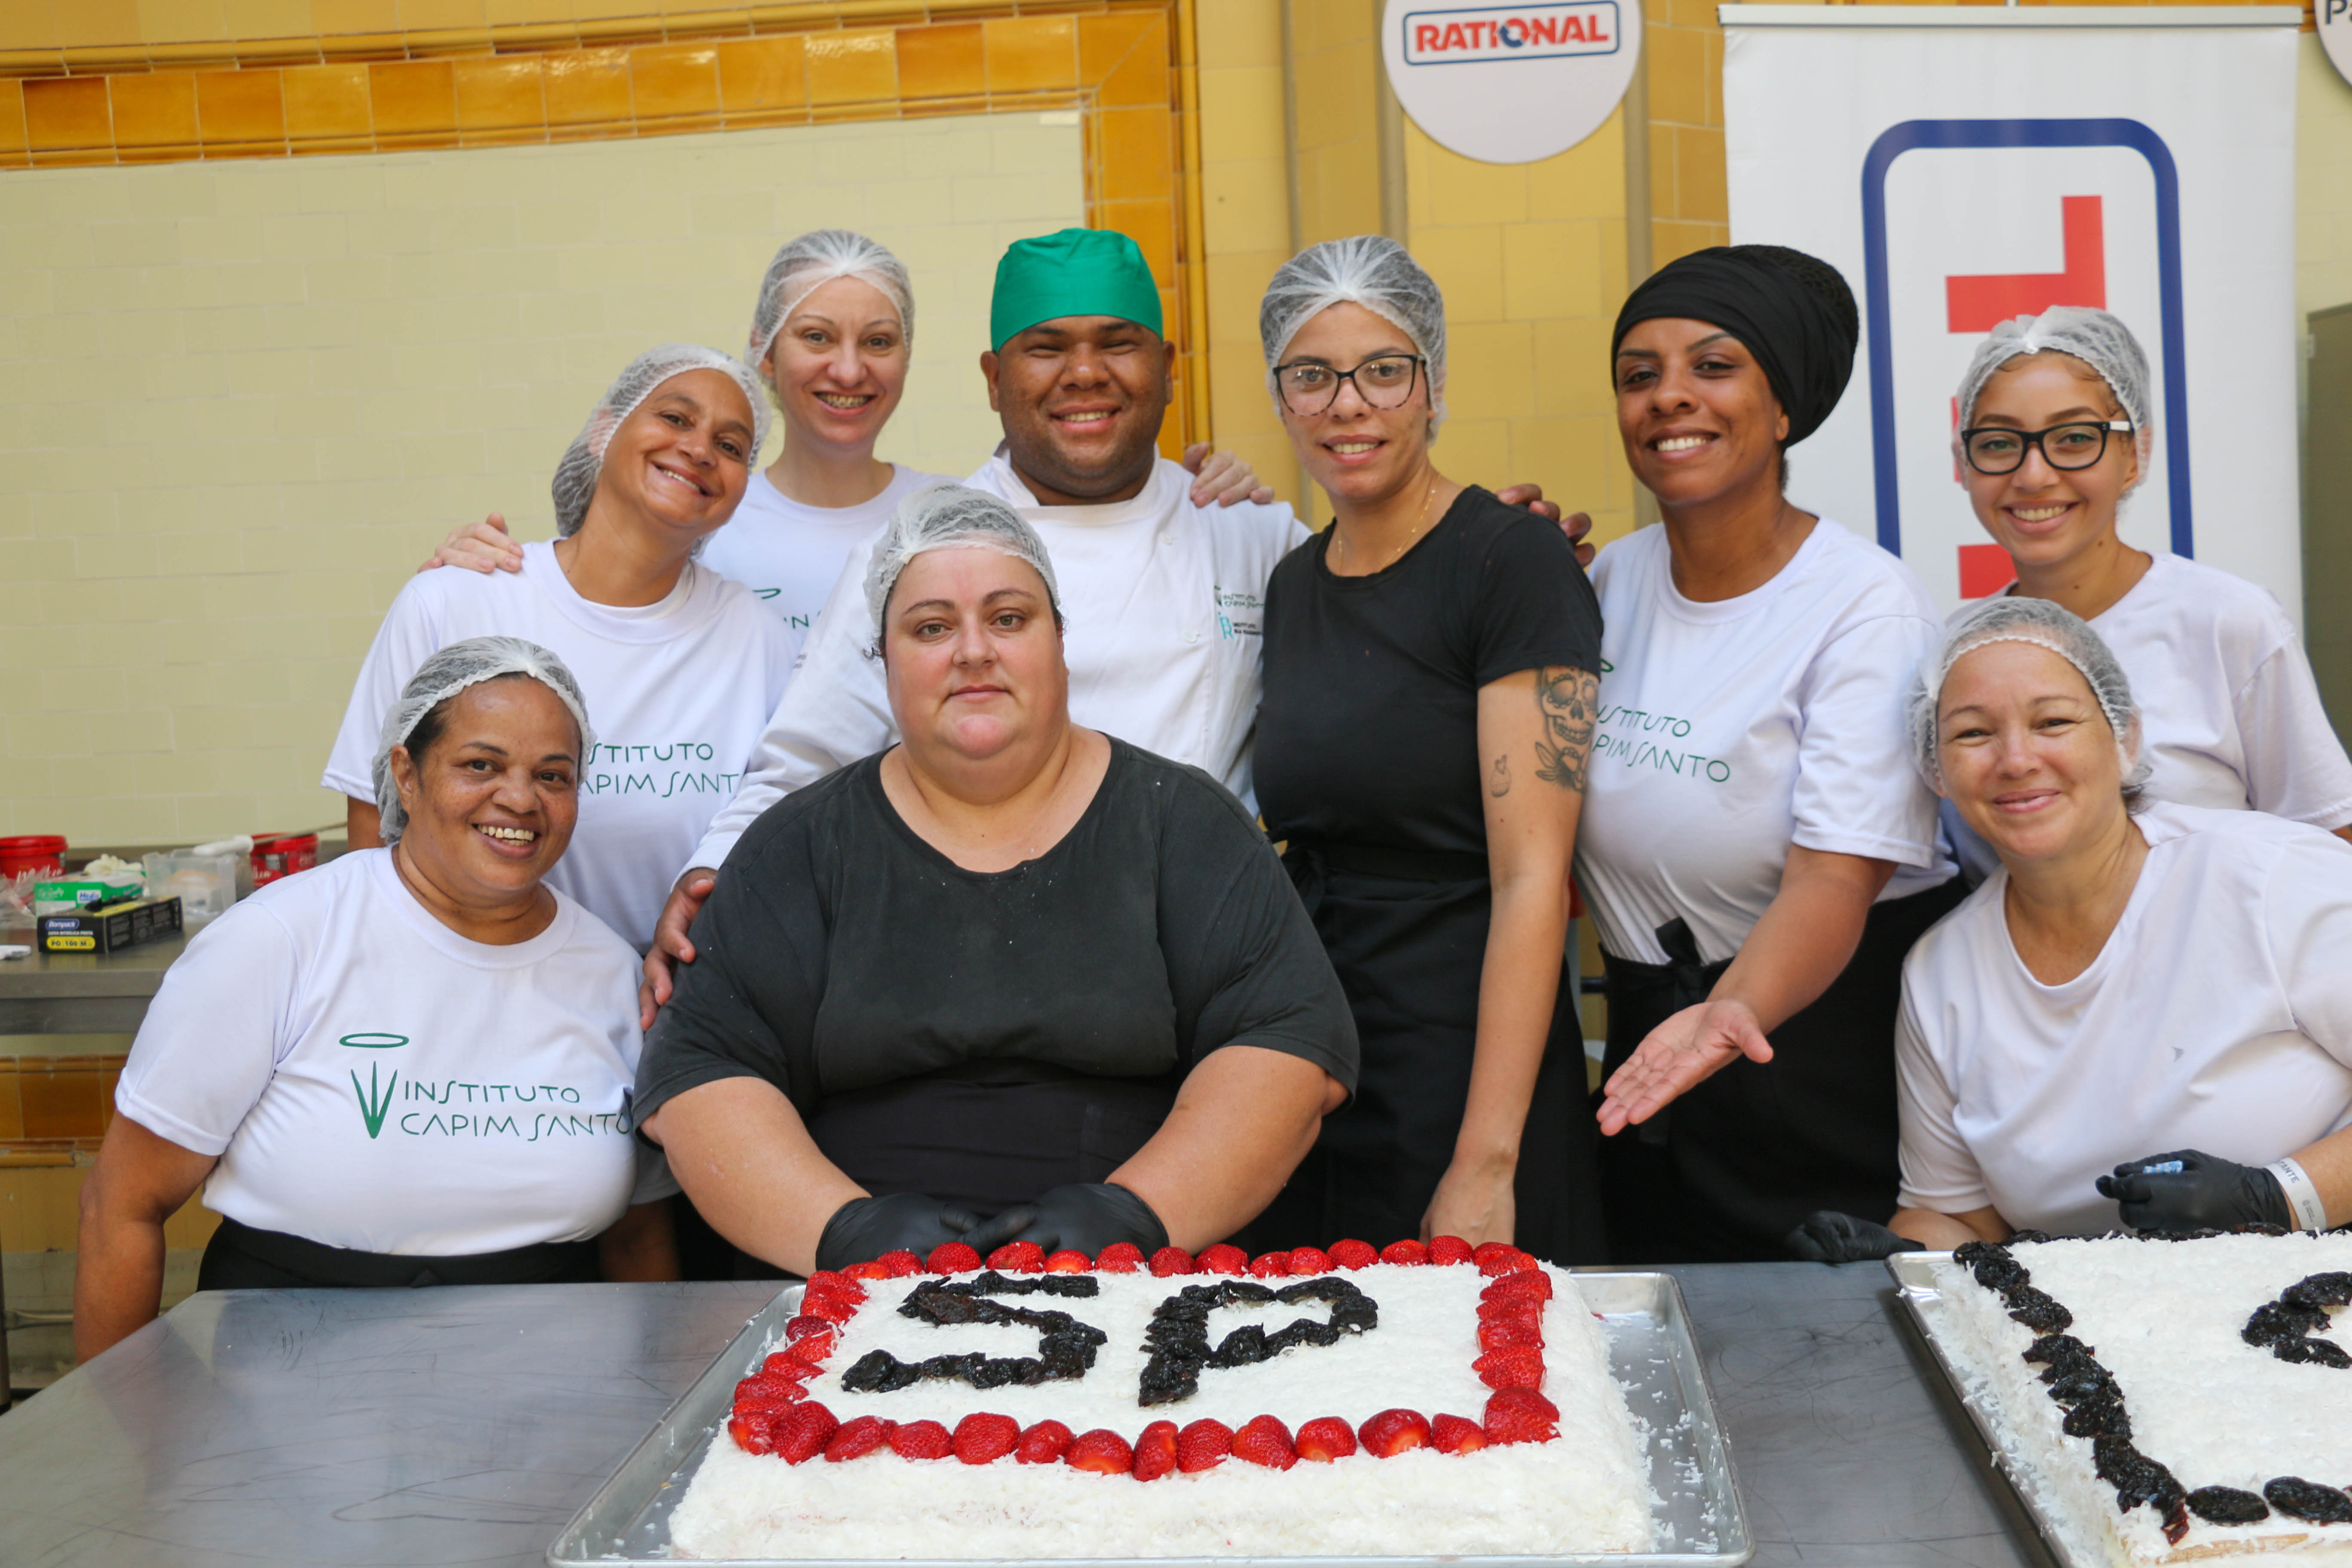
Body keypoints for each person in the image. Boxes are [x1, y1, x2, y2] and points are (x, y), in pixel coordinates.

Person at [638, 227, 1581, 1022]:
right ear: (994, 377)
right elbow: (805, 759)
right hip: (976, 968)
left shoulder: (1250, 533)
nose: (1084, 374)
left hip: (1215, 977)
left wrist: (1498, 549)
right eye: (1046, 348)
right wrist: (712, 876)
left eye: (1118, 344)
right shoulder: (921, 547)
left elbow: (1396, 608)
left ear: (1168, 370)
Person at [630, 486, 1358, 1274]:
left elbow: (1287, 1050)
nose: (973, 651)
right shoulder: (798, 848)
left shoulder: (1184, 824)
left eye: (1009, 619)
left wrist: (1137, 1213)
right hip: (852, 1302)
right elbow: (702, 1078)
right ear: (882, 661)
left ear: (1060, 643)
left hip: (1144, 1291)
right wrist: (844, 1233)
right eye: (931, 627)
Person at [77, 640, 677, 1360]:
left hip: (556, 1379)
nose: (521, 800)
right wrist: (126, 1424)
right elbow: (122, 1207)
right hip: (283, 1374)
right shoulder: (281, 939)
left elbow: (639, 1236)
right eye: (480, 765)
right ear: (407, 774)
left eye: (553, 776)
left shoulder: (610, 973)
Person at [1583, 245, 1962, 1264]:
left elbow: (1836, 878)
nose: (1670, 396)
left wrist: (1728, 1016)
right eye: (1639, 374)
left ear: (1784, 408)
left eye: (1713, 367)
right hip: (1652, 1056)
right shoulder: (1611, 580)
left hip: (1808, 1057)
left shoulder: (1865, 604)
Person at [1789, 600, 2352, 1258]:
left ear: (2124, 740)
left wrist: (2275, 1197)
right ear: (1935, 769)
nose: (2016, 759)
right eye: (1973, 734)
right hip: (2089, 1317)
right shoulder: (1943, 971)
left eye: (2053, 722)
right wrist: (1899, 1258)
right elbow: (1959, 1219)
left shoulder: (2272, 877)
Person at [421, 229, 1274, 662]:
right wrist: (477, 572)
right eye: (816, 337)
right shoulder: (702, 508)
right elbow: (591, 599)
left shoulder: (954, 516)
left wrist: (1201, 487)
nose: (849, 369)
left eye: (879, 341)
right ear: (764, 353)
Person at [1242, 237, 1602, 1262]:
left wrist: (1486, 1161)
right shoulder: (1295, 582)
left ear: (1434, 385)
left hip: (1466, 1054)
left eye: (1383, 371)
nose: (1348, 404)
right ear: (1280, 398)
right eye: (1312, 376)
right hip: (1320, 1047)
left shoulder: (1511, 563)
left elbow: (1533, 879)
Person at [323, 345, 791, 953]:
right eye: (675, 418)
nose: (700, 450)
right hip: (466, 983)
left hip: (678, 997)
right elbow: (374, 825)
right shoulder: (455, 601)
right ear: (603, 431)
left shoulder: (760, 639)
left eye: (730, 446)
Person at [1940, 306, 2352, 880]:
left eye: (2075, 438)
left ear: (2134, 455)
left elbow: (2329, 845)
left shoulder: (2227, 621)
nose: (2033, 475)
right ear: (1964, 463)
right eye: (1999, 443)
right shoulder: (1954, 652)